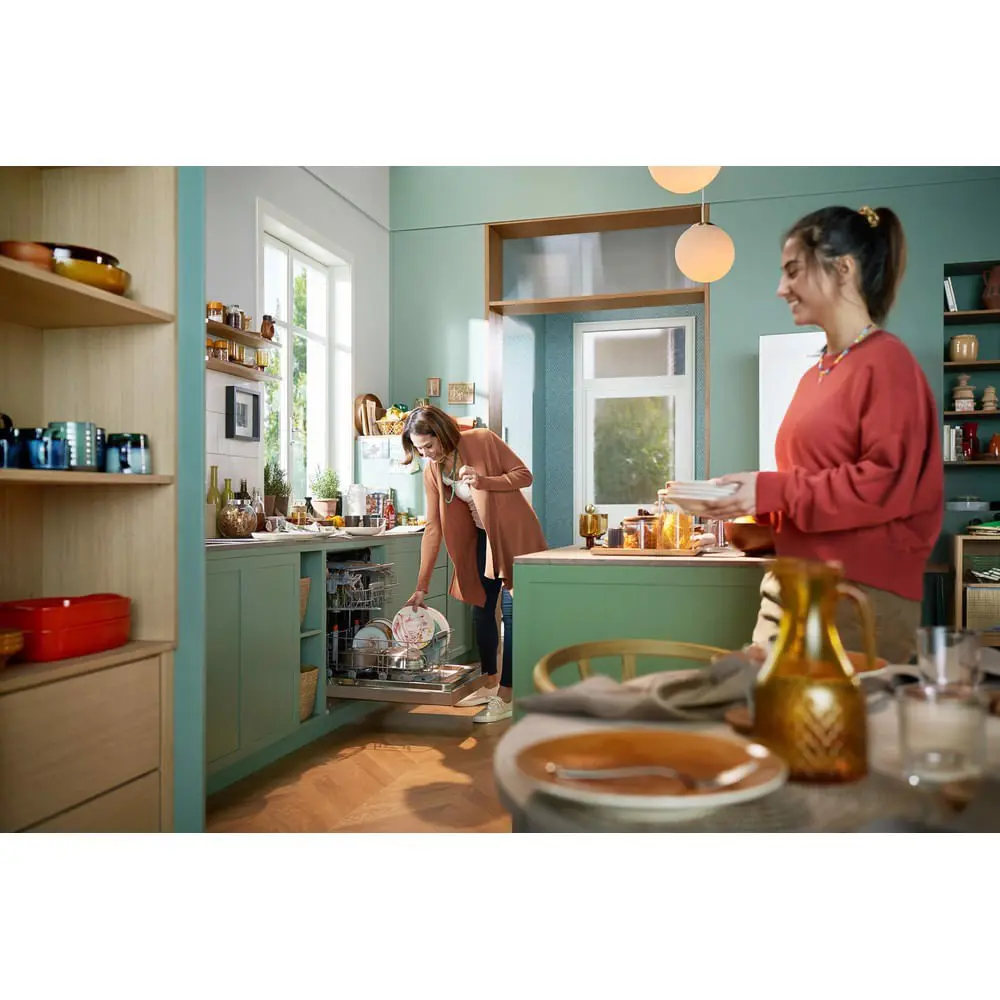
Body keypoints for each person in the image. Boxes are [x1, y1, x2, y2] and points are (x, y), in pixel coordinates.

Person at [702, 204, 943, 664]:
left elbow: (884, 485)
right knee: (752, 704)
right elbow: (813, 486)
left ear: (843, 268)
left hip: (855, 594)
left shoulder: (887, 363)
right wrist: (750, 505)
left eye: (793, 271)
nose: (781, 288)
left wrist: (770, 490)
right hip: (792, 585)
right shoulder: (816, 374)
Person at [400, 406, 547, 723]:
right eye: (419, 449)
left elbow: (524, 475)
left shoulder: (482, 440)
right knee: (480, 610)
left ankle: (507, 696)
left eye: (429, 446)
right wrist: (421, 586)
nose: (426, 454)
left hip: (513, 534)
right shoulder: (432, 471)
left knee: (512, 614)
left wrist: (483, 481)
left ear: (442, 434)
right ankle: (490, 683)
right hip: (482, 538)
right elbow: (433, 528)